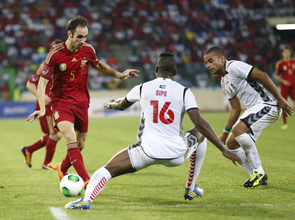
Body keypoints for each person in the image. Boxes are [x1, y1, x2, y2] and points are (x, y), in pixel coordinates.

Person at [64, 52, 243, 210]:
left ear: (156, 68)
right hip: (176, 154)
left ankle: (86, 201)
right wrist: (223, 149)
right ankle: (191, 187)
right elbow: (200, 123)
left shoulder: (142, 87)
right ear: (175, 73)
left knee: (105, 170)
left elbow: (122, 105)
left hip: (146, 152)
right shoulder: (184, 91)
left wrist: (112, 103)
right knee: (200, 133)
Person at [27, 15, 139, 188]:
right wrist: (42, 108)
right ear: (69, 34)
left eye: (85, 36)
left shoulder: (88, 50)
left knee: (80, 144)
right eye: (80, 37)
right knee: (69, 136)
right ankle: (87, 181)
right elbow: (41, 84)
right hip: (61, 101)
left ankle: (62, 169)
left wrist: (120, 74)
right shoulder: (54, 54)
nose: (83, 40)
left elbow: (99, 65)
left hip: (81, 101)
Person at [203, 46, 293, 188]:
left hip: (268, 104)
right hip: (255, 109)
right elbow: (236, 108)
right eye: (206, 63)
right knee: (232, 144)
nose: (208, 65)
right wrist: (225, 134)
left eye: (210, 61)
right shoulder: (223, 82)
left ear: (221, 59)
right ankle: (256, 175)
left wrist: (280, 99)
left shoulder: (234, 67)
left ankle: (259, 172)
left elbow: (262, 75)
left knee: (239, 130)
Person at [21, 39, 62, 170]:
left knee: (54, 134)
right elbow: (29, 84)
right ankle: (47, 163)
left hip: (56, 104)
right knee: (56, 134)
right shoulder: (44, 66)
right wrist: (42, 96)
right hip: (45, 106)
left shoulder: (64, 67)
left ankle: (28, 150)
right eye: (54, 49)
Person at [274, 47, 295, 129]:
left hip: (294, 86)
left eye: (288, 52)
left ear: (290, 53)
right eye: (285, 52)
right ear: (283, 54)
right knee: (283, 104)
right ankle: (285, 123)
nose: (286, 54)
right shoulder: (280, 63)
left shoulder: (294, 62)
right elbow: (276, 76)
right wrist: (284, 81)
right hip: (284, 87)